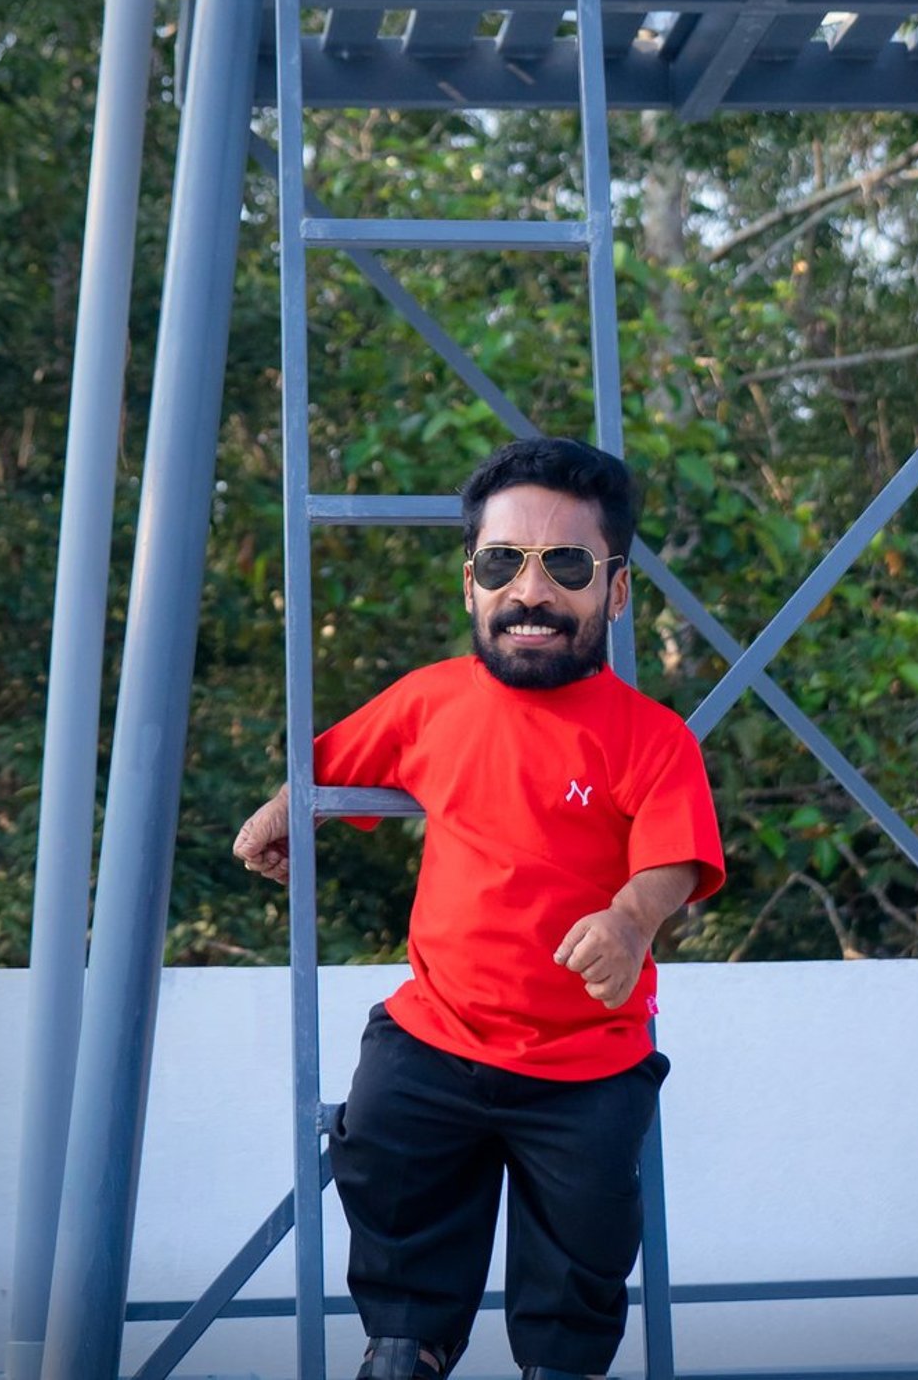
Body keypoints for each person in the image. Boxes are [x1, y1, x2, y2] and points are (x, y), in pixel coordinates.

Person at [234, 434, 724, 1380]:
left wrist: (630, 920)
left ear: (615, 592)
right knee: (379, 1147)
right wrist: (285, 813)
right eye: (503, 563)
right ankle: (408, 1344)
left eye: (567, 565)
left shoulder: (652, 738)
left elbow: (678, 858)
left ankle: (561, 1365)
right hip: (438, 1037)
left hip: (588, 1060)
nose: (530, 592)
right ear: (471, 584)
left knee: (587, 1235)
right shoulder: (430, 701)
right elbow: (326, 769)